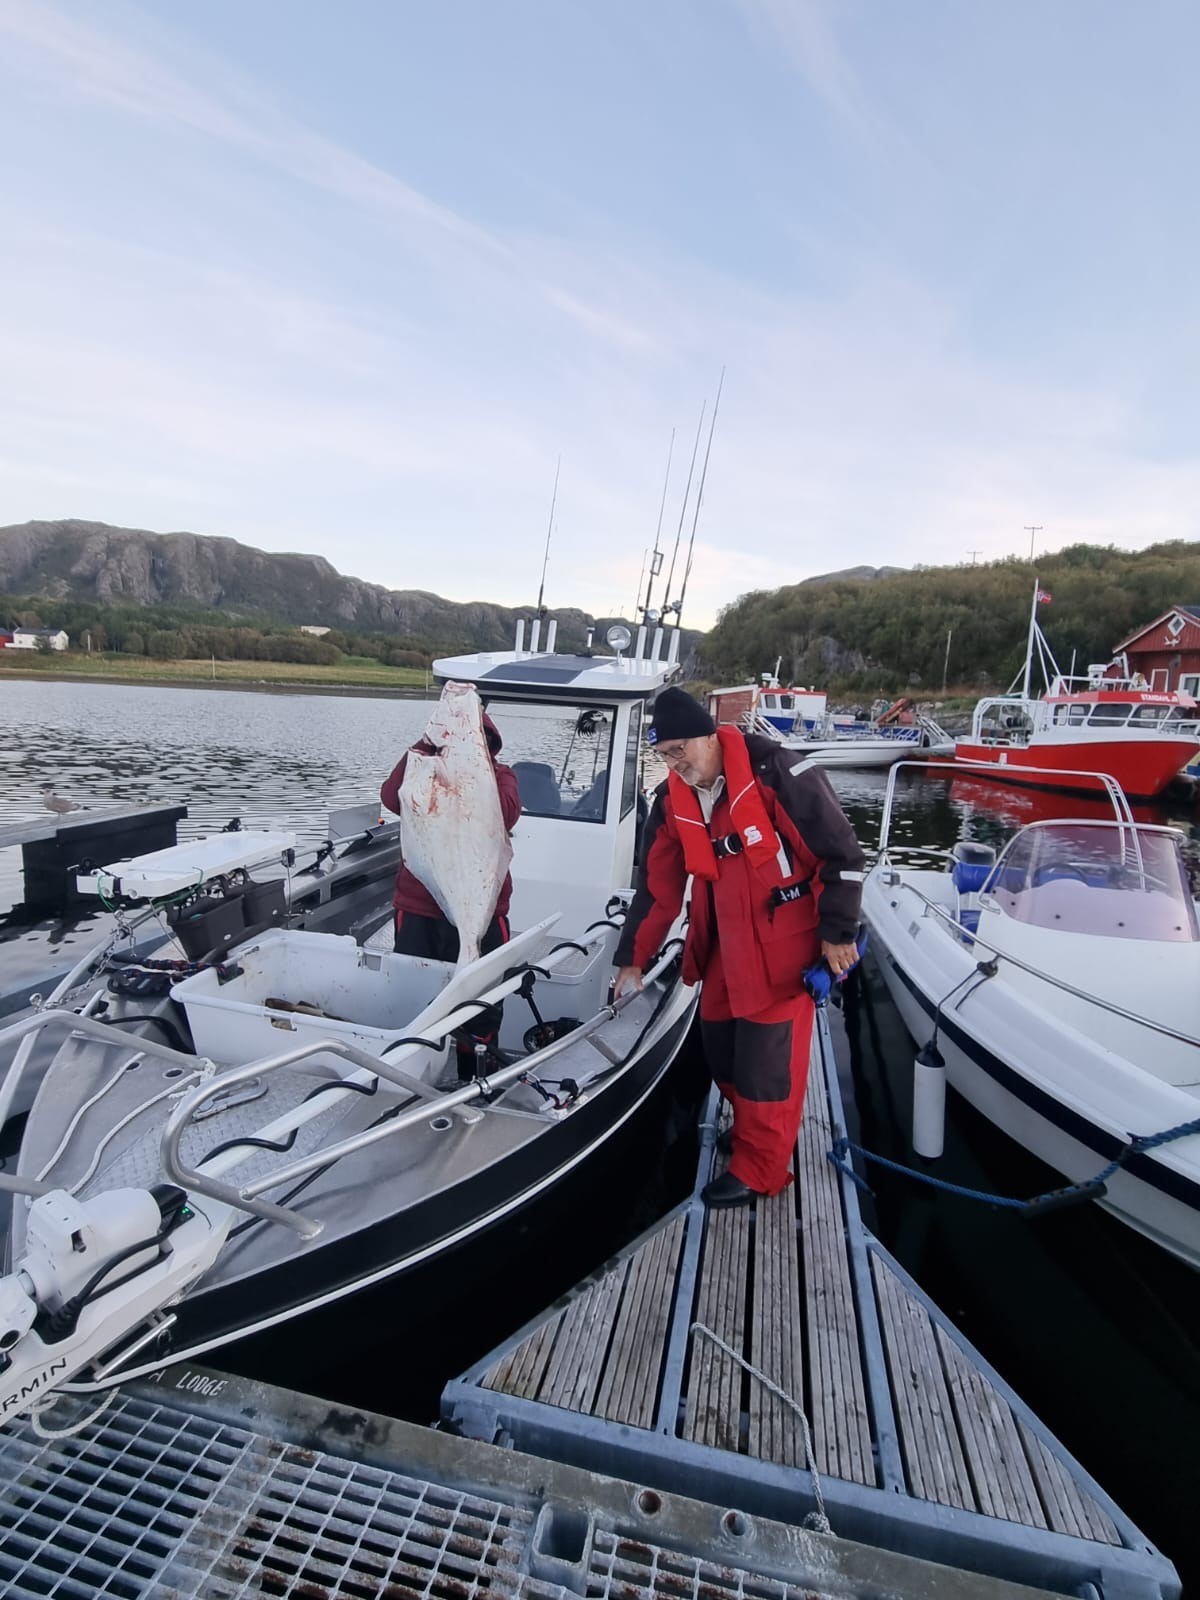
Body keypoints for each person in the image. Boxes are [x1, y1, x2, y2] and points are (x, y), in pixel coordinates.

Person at [613, 686, 865, 1209]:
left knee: (766, 1067)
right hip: (722, 946)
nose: (675, 763)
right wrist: (632, 959)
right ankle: (752, 1128)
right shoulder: (671, 801)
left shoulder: (778, 772)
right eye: (664, 755)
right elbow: (658, 887)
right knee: (722, 1048)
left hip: (784, 945)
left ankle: (761, 1169)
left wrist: (839, 932)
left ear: (709, 737)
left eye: (680, 749)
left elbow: (840, 854)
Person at [380, 710, 521, 1075]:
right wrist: (425, 745)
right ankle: (413, 1072)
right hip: (419, 909)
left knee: (482, 1003)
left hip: (481, 911)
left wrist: (472, 772)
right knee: (414, 995)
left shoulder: (501, 776)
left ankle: (474, 1074)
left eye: (470, 738)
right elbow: (391, 797)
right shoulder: (421, 768)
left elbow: (507, 812)